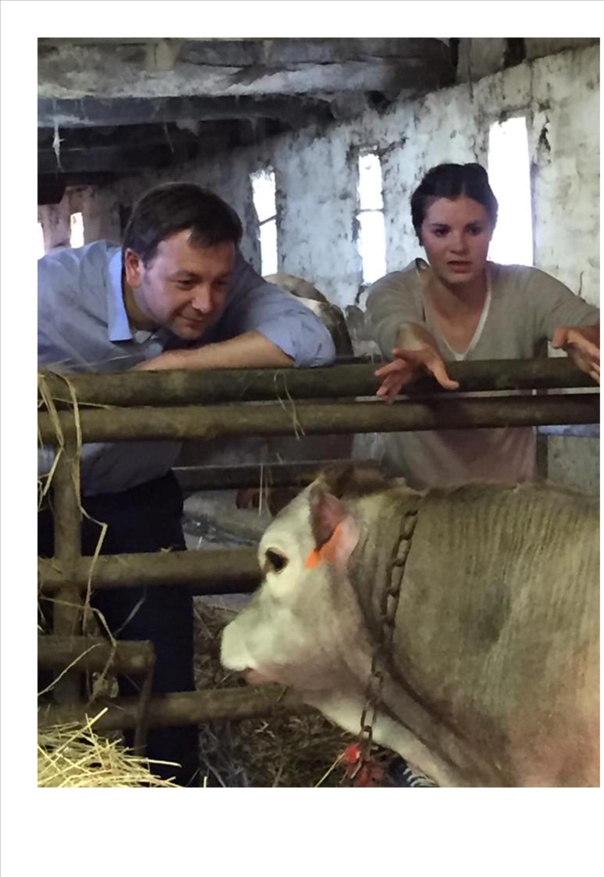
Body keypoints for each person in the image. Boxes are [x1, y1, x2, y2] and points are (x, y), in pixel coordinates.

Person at [38, 182, 336, 785]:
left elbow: (312, 341)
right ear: (133, 263)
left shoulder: (226, 281)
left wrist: (168, 369)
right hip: (33, 501)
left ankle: (168, 795)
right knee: (36, 665)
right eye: (185, 283)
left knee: (162, 673)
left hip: (136, 499)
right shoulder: (47, 291)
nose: (206, 303)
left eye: (219, 283)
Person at [365, 162, 600, 490]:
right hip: (414, 510)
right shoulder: (393, 290)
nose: (459, 246)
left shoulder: (525, 287)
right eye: (441, 231)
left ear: (492, 230)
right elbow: (397, 322)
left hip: (507, 512)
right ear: (420, 234)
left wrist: (589, 336)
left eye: (474, 230)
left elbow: (593, 324)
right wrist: (416, 344)